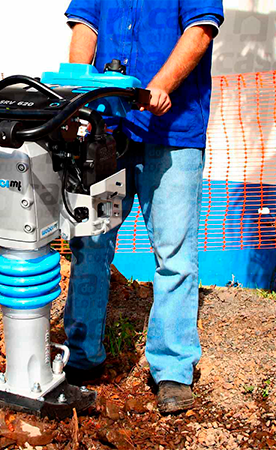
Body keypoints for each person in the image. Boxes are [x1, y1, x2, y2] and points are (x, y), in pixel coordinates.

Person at [62, 0, 224, 414]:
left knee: (174, 254)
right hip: (107, 134)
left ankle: (172, 368)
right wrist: (78, 92)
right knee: (91, 244)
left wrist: (160, 86)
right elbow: (85, 27)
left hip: (171, 133)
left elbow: (200, 29)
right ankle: (81, 356)